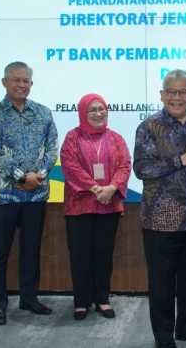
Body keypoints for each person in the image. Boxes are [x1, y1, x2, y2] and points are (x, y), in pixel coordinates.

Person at [133, 69, 186, 348]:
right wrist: (181, 160)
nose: (176, 97)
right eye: (171, 92)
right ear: (162, 94)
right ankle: (164, 337)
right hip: (161, 219)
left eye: (182, 92)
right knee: (162, 283)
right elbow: (142, 169)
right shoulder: (148, 127)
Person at [0, 61, 58, 326]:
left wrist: (39, 175)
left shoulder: (43, 113)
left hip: (36, 196)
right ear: (5, 82)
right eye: (16, 80)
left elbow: (52, 149)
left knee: (31, 250)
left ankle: (29, 298)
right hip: (3, 196)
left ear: (31, 84)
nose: (21, 85)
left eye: (26, 81)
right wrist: (22, 177)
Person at [60, 93, 131, 321]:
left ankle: (102, 298)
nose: (98, 113)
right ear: (83, 112)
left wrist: (111, 188)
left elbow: (125, 165)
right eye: (92, 110)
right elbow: (70, 166)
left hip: (108, 205)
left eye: (102, 109)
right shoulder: (72, 137)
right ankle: (81, 301)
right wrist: (95, 189)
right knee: (80, 255)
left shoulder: (116, 138)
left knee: (103, 254)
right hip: (79, 206)